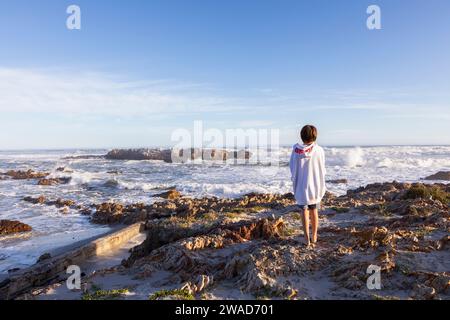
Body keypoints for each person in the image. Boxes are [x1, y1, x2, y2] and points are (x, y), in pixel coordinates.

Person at [289, 125, 326, 247]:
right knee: (314, 210)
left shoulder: (296, 150)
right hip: (314, 185)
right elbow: (322, 168)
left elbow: (292, 167)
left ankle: (306, 238)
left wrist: (295, 179)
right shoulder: (318, 150)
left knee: (303, 211)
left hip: (301, 185)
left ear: (302, 136)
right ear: (315, 135)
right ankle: (314, 235)